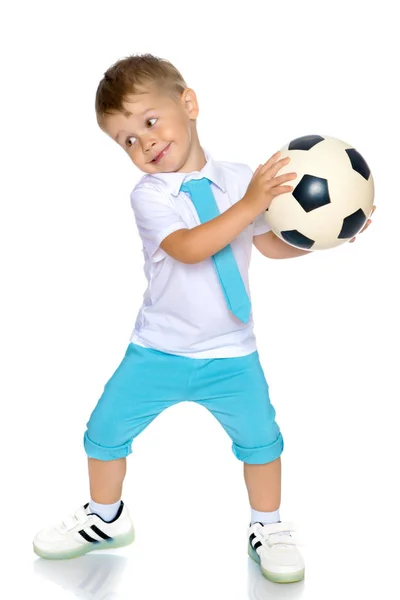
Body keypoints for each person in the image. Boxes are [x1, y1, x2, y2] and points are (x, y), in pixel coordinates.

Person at [33, 53, 374, 583]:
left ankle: (268, 527)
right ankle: (105, 518)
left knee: (262, 442)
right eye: (126, 140)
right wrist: (250, 201)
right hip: (157, 350)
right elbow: (191, 248)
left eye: (149, 121)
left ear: (188, 104)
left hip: (232, 354)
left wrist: (326, 238)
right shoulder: (150, 197)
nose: (143, 142)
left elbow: (266, 243)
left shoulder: (241, 178)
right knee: (103, 432)